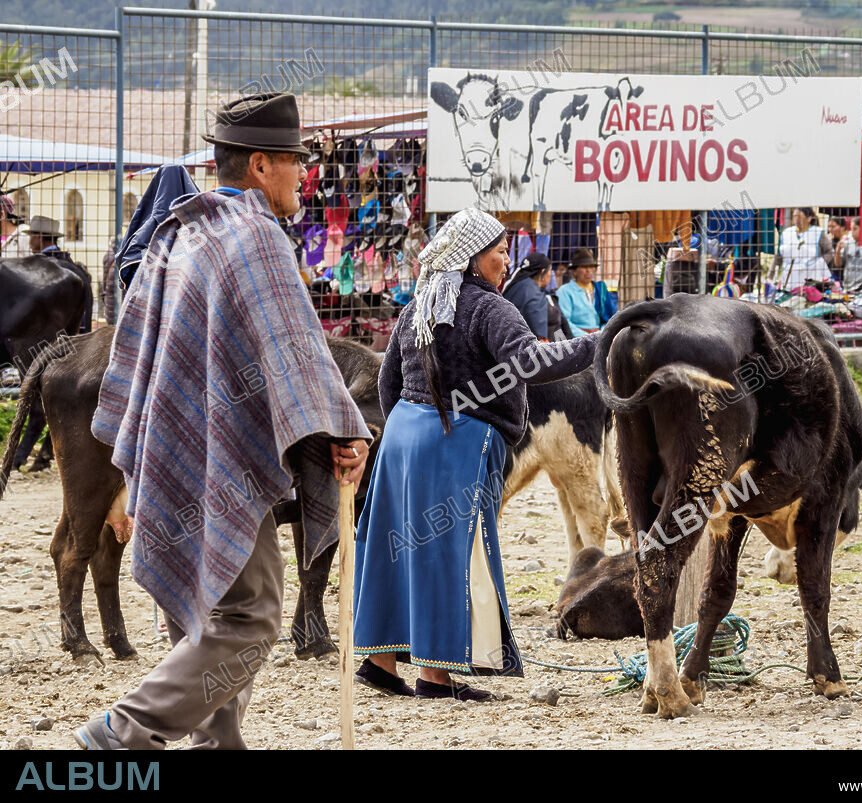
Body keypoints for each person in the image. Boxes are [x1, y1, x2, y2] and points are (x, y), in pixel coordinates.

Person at [74, 92, 373, 751]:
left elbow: (142, 349)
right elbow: (298, 352)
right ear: (262, 165)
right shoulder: (256, 235)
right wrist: (341, 430)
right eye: (295, 161)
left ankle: (218, 745)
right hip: (225, 462)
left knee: (209, 610)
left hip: (181, 448)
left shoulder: (181, 233)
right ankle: (121, 732)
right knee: (252, 612)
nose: (304, 174)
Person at [353, 208, 599, 701]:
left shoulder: (419, 303)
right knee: (453, 553)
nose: (507, 262)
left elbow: (388, 383)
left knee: (392, 547)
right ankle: (435, 678)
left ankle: (380, 663)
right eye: (499, 252)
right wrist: (598, 343)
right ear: (470, 257)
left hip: (403, 435)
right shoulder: (491, 309)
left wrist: (408, 427)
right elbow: (531, 362)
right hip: (457, 440)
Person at [771, 207, 834, 292]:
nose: (796, 219)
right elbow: (779, 255)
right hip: (790, 278)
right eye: (795, 216)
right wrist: (770, 275)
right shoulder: (787, 233)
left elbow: (829, 252)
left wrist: (819, 264)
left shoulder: (817, 232)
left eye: (799, 216)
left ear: (809, 218)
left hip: (811, 276)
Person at [556, 248, 617, 336]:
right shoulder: (565, 291)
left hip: (599, 336)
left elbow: (610, 318)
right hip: (576, 339)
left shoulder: (600, 289)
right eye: (584, 267)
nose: (588, 270)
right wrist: (586, 337)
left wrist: (603, 333)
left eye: (591, 266)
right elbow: (564, 321)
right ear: (574, 271)